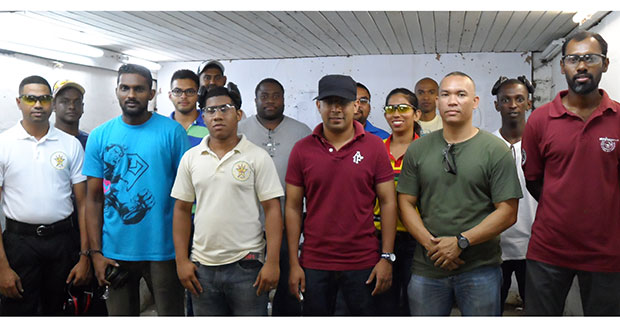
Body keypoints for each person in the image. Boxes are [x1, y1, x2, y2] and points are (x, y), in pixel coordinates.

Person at [397, 71, 522, 316]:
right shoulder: (418, 149)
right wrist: (432, 246)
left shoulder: (495, 150)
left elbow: (507, 212)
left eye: (461, 94)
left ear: (474, 102)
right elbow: (405, 203)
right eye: (445, 94)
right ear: (437, 101)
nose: (452, 101)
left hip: (480, 268)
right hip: (427, 268)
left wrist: (461, 242)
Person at [521, 31, 620, 316]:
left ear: (605, 64)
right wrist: (563, 208)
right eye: (573, 59)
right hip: (549, 250)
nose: (581, 66)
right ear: (563, 65)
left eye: (590, 58)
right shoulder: (540, 119)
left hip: (607, 253)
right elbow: (534, 180)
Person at [286, 74, 397, 316]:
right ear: (318, 106)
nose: (336, 109)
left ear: (356, 106)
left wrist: (387, 257)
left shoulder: (374, 146)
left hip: (363, 262)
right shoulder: (302, 149)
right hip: (315, 262)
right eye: (329, 102)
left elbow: (388, 202)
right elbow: (293, 207)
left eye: (343, 102)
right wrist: (294, 262)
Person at [83, 64, 189, 316]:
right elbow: (94, 199)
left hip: (164, 249)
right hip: (114, 252)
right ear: (117, 91)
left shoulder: (172, 132)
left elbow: (186, 196)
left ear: (151, 94)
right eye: (125, 88)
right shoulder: (99, 136)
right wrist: (95, 253)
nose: (131, 95)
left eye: (139, 89)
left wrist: (184, 252)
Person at [171, 85, 283, 316]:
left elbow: (272, 210)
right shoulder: (191, 158)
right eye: (210, 111)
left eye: (225, 108)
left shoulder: (257, 157)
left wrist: (272, 262)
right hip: (202, 268)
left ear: (238, 114)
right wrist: (182, 261)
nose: (217, 115)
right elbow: (181, 210)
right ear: (203, 116)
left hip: (247, 266)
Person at [0, 76, 90, 315]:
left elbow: (83, 204)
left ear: (51, 102)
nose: (38, 105)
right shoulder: (4, 143)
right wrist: (2, 267)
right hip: (19, 244)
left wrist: (84, 257)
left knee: (60, 311)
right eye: (31, 98)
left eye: (44, 98)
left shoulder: (70, 145)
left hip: (62, 242)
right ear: (19, 102)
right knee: (17, 312)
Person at [238, 78, 311, 316]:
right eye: (264, 95)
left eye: (276, 95)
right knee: (249, 287)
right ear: (255, 99)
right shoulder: (240, 131)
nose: (270, 100)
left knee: (288, 283)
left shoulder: (301, 132)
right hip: (248, 226)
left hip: (288, 224)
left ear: (284, 99)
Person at [490, 76, 538, 314]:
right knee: (492, 308)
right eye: (505, 100)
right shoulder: (486, 144)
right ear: (496, 105)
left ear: (529, 103)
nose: (512, 105)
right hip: (495, 244)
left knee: (536, 309)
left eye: (519, 99)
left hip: (535, 243)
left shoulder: (540, 142)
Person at [373, 88, 422, 316]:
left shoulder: (428, 150)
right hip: (379, 238)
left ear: (417, 114)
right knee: (384, 303)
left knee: (415, 303)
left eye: (403, 108)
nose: (396, 114)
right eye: (390, 109)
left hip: (417, 240)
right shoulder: (375, 149)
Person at [169, 69, 209, 148]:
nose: (183, 96)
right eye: (177, 91)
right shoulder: (163, 126)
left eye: (190, 91)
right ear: (170, 95)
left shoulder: (211, 124)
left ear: (198, 95)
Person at [53, 80, 89, 149]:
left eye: (77, 102)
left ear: (82, 107)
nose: (72, 106)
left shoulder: (90, 142)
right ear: (54, 105)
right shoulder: (44, 139)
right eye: (65, 102)